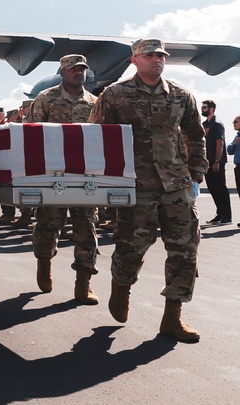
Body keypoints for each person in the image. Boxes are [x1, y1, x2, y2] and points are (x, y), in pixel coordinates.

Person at [89, 38, 207, 342]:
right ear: (134, 60)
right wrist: (106, 183)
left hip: (176, 184)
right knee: (131, 247)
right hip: (136, 185)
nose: (157, 59)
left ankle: (172, 317)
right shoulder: (115, 95)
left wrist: (196, 174)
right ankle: (121, 285)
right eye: (150, 55)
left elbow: (196, 135)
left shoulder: (181, 96)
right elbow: (97, 139)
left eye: (161, 55)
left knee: (185, 250)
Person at [26, 54, 99, 304]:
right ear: (62, 72)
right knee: (48, 224)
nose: (78, 73)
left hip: (85, 176)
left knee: (86, 228)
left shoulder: (94, 103)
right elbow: (31, 137)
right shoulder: (45, 99)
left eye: (82, 69)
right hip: (52, 175)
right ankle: (44, 263)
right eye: (72, 69)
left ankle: (84, 283)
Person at [201, 100, 231, 224]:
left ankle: (227, 216)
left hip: (216, 162)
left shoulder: (217, 124)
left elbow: (220, 143)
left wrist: (217, 161)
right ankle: (220, 214)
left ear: (212, 108)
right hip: (207, 162)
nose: (202, 109)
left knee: (220, 188)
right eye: (202, 107)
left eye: (204, 107)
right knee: (212, 188)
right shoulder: (204, 124)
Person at [229, 115, 240, 227]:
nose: (233, 123)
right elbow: (230, 150)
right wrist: (235, 143)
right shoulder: (237, 136)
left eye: (235, 121)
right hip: (238, 168)